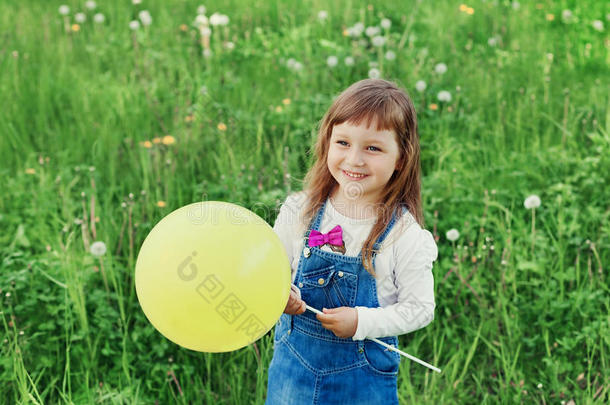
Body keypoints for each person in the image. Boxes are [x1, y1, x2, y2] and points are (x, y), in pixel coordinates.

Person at [265, 78, 438, 405]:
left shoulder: (404, 236)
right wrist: (282, 294)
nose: (354, 159)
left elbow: (420, 308)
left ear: (401, 157)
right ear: (327, 142)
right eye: (343, 142)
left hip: (362, 380)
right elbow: (271, 273)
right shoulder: (298, 211)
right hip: (293, 373)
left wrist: (362, 321)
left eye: (373, 148)